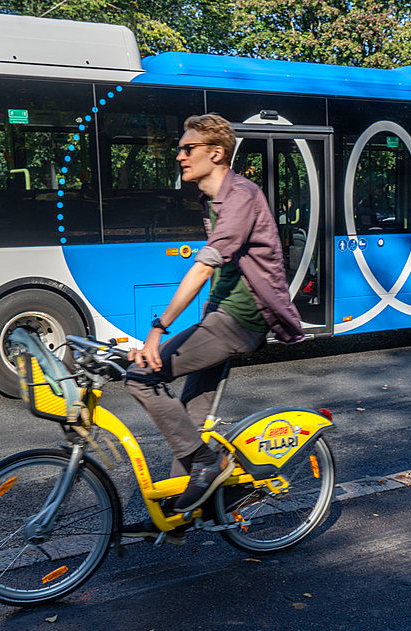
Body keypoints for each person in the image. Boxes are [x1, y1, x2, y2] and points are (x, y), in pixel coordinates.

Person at [121, 114, 304, 543]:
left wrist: (158, 328)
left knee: (141, 378)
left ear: (216, 153)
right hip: (221, 318)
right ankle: (180, 512)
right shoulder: (214, 200)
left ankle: (209, 465)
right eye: (181, 148)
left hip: (240, 321)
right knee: (188, 418)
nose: (179, 155)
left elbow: (206, 265)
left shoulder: (240, 195)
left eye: (188, 148)